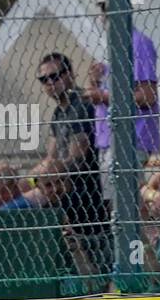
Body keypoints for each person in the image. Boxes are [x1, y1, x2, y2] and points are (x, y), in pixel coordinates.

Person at [86, 0, 160, 202]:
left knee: (128, 204)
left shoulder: (137, 43)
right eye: (103, 9)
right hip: (111, 138)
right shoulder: (114, 45)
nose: (104, 15)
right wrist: (94, 82)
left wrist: (102, 96)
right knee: (121, 206)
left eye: (107, 9)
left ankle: (149, 236)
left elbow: (147, 95)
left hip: (130, 138)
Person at [36, 52, 107, 271]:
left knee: (18, 205)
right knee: (7, 188)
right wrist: (30, 180)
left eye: (55, 76)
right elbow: (50, 157)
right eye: (44, 79)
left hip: (84, 188)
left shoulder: (82, 104)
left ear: (70, 75)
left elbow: (77, 156)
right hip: (60, 185)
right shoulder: (59, 112)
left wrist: (45, 175)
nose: (50, 83)